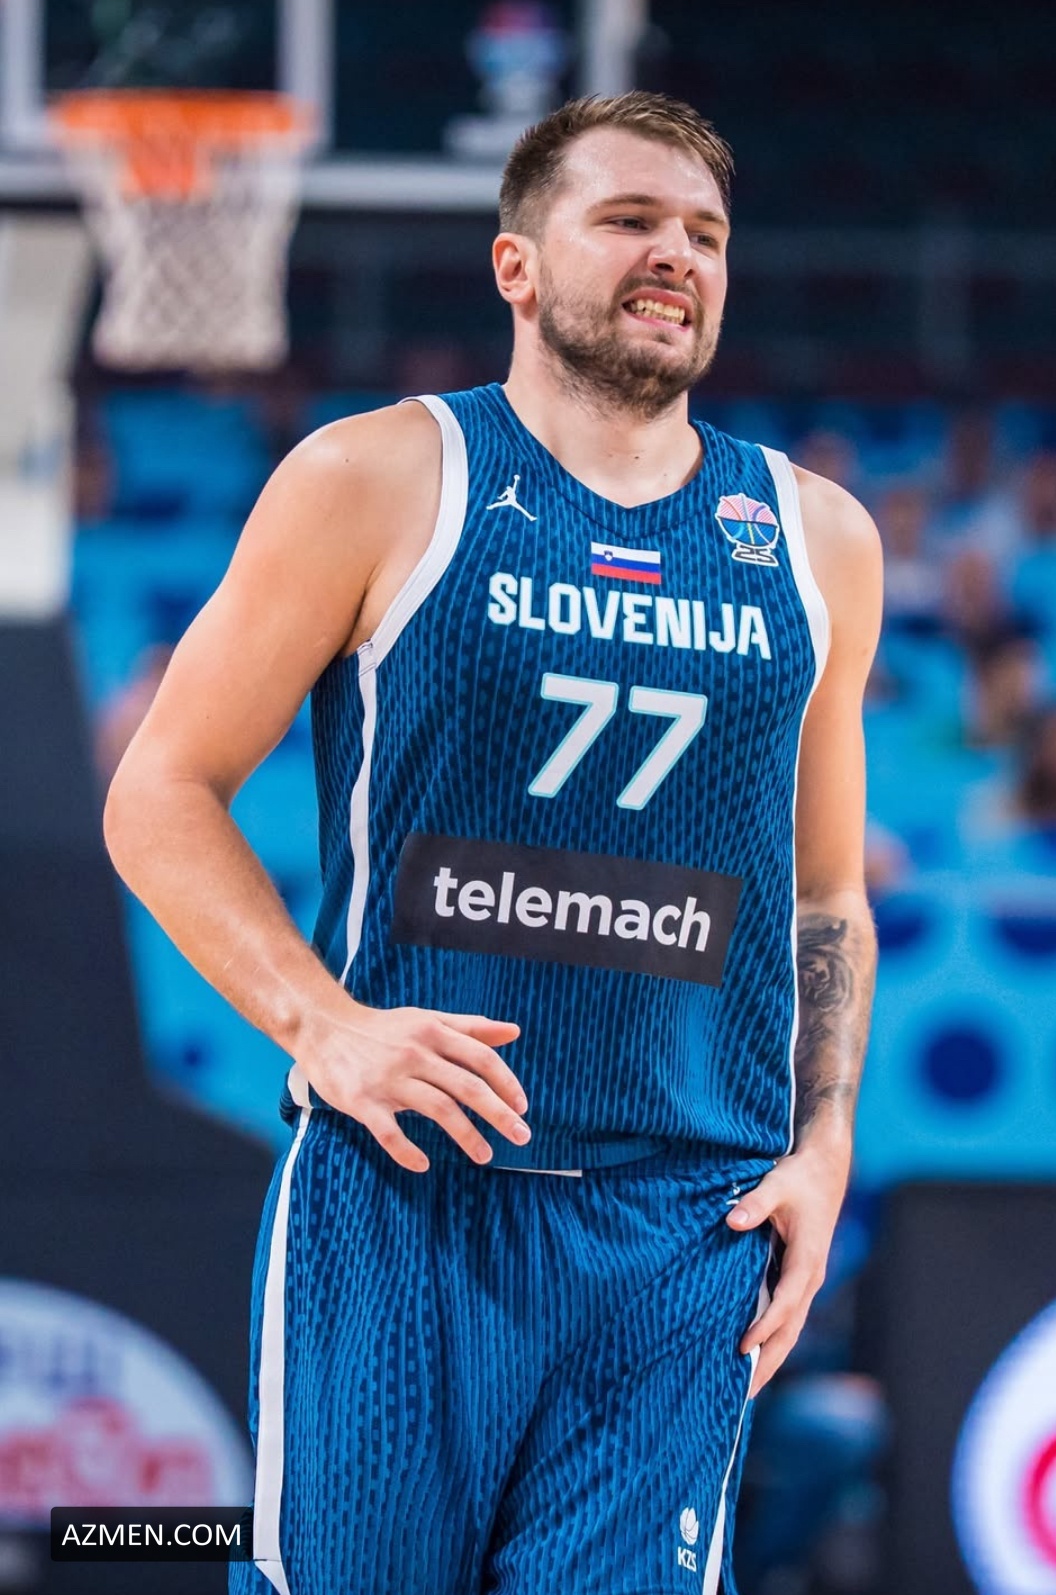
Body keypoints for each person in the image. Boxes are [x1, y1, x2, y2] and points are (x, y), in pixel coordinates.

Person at [103, 92, 882, 1595]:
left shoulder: (817, 539)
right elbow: (160, 792)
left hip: (681, 1229)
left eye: (706, 234)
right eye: (630, 219)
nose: (677, 255)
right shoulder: (379, 478)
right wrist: (321, 1024)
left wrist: (828, 1140)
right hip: (411, 1200)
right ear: (516, 265)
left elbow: (827, 896)